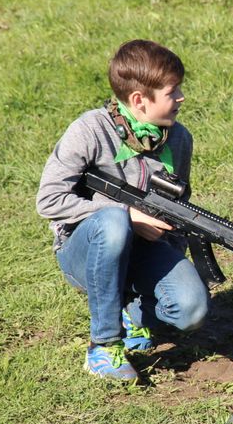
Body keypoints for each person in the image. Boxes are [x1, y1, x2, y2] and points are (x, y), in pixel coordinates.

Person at [36, 39, 208, 380]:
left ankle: (132, 310)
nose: (181, 98)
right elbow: (49, 200)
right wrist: (128, 216)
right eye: (172, 92)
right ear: (139, 100)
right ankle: (103, 346)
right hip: (84, 250)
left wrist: (169, 254)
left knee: (192, 310)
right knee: (114, 221)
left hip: (145, 251)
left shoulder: (179, 138)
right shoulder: (89, 130)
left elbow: (177, 212)